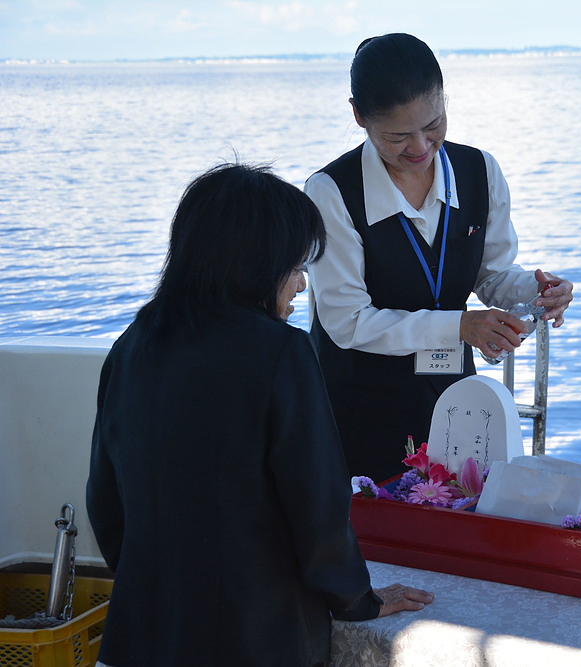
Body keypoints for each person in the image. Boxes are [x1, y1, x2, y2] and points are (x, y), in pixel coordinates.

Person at [86, 163, 432, 667]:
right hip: (254, 641)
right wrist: (357, 599)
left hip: (141, 634)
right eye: (294, 266)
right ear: (256, 263)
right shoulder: (281, 353)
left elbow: (105, 500)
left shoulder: (133, 345)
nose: (299, 285)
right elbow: (316, 505)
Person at [306, 33, 575, 483]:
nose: (420, 147)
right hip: (358, 404)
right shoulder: (331, 192)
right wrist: (460, 326)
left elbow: (491, 276)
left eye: (434, 125)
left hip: (454, 399)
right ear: (358, 116)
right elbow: (347, 321)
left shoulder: (479, 171)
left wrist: (536, 290)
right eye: (397, 136)